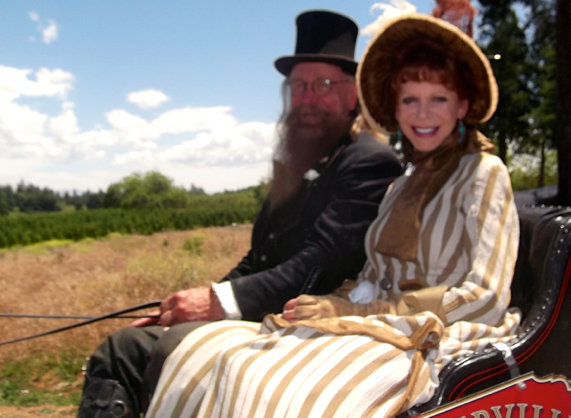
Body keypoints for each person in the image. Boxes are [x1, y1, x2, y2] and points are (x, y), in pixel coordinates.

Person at [144, 13, 521, 418]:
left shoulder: (484, 173)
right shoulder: (401, 186)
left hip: (440, 333)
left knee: (281, 392)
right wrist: (328, 303)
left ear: (462, 105)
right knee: (229, 359)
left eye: (438, 99)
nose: (422, 114)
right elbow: (372, 281)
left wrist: (360, 313)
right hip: (380, 328)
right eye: (410, 100)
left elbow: (486, 299)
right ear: (396, 109)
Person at [77, 10, 402, 418]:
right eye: (298, 86)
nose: (306, 97)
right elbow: (258, 258)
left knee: (123, 352)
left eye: (322, 84)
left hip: (314, 323)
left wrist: (219, 303)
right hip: (266, 314)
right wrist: (194, 304)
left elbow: (324, 263)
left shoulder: (369, 162)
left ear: (352, 96)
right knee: (140, 338)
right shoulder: (295, 165)